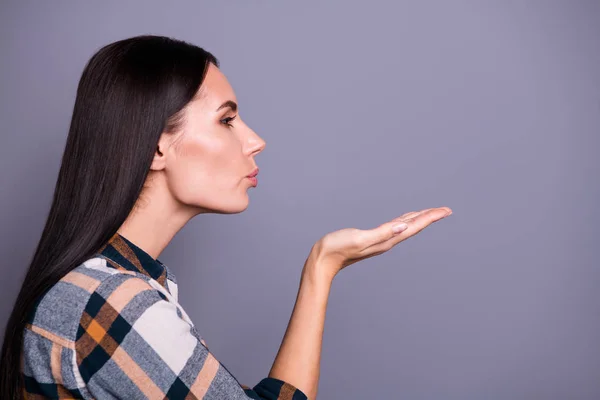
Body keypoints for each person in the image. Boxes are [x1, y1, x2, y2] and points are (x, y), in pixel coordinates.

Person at [0, 35, 452, 399]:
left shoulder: (113, 286)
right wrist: (323, 267)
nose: (255, 140)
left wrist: (322, 265)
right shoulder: (112, 300)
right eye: (227, 120)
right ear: (158, 145)